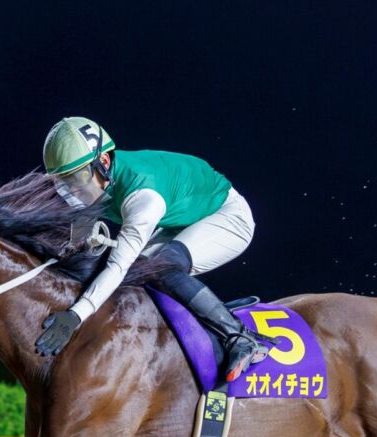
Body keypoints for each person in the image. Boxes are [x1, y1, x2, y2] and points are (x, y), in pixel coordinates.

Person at [35, 117, 269, 383]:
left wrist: (75, 316)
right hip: (181, 215)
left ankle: (240, 338)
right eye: (65, 182)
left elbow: (117, 266)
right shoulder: (98, 180)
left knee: (162, 268)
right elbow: (77, 249)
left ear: (104, 162)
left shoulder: (143, 197)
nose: (74, 190)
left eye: (78, 178)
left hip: (227, 215)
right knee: (136, 274)